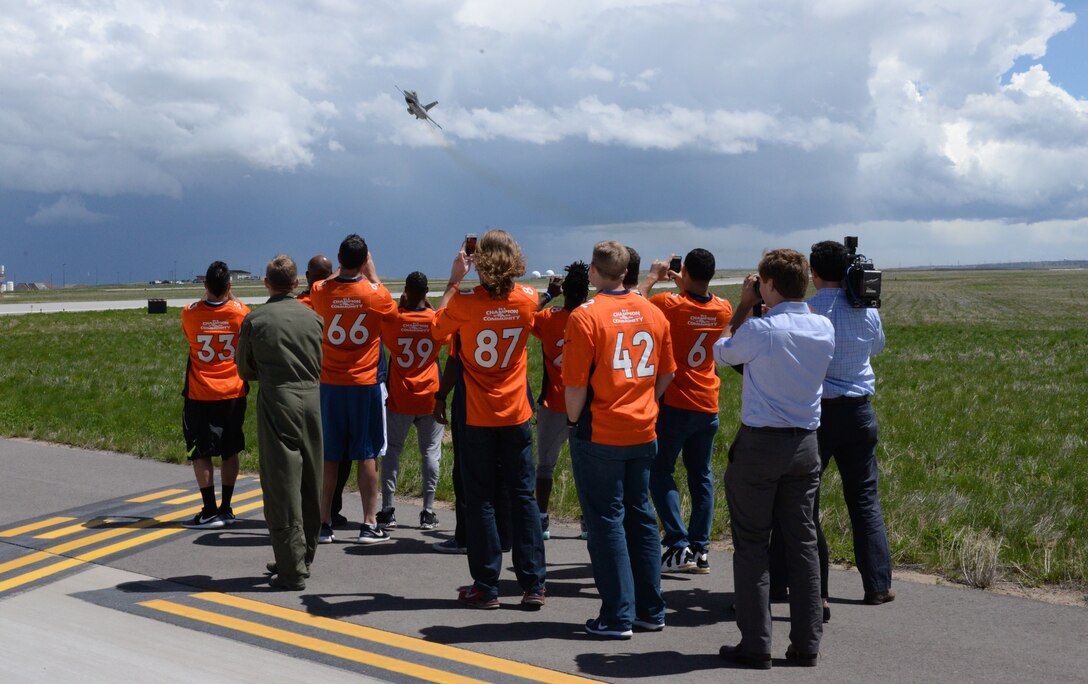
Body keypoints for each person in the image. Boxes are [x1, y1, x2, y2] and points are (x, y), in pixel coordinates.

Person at [712, 249, 834, 668]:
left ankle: (756, 642)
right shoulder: (824, 327)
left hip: (761, 444)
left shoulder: (761, 329)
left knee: (751, 544)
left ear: (769, 286)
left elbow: (721, 352)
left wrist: (744, 307)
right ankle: (806, 643)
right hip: (805, 444)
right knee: (801, 544)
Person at [769, 240, 894, 612]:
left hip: (817, 415)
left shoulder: (807, 311)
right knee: (865, 500)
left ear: (813, 273)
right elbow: (877, 348)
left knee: (800, 502)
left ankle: (794, 585)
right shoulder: (866, 309)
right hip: (859, 413)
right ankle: (877, 584)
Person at [563, 241, 676, 639]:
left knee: (606, 520)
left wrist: (574, 422)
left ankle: (617, 614)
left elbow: (575, 384)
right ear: (627, 273)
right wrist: (645, 402)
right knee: (641, 516)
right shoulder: (652, 310)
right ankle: (651, 608)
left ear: (594, 271)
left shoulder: (586, 316)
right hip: (643, 427)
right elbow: (666, 374)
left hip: (602, 429)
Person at [431, 229, 547, 610]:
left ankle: (486, 584)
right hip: (516, 412)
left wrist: (454, 280)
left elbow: (435, 330)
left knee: (480, 499)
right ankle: (532, 583)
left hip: (479, 414)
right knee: (522, 496)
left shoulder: (465, 304)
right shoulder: (528, 299)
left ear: (479, 264)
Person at [638, 249, 732, 573]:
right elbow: (698, 310)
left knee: (659, 471)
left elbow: (635, 302)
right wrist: (685, 284)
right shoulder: (724, 308)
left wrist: (653, 277)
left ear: (685, 270)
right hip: (708, 402)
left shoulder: (670, 304)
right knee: (701, 475)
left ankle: (678, 545)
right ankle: (701, 547)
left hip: (676, 404)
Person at [235, 255, 324, 590]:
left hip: (278, 398)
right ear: (296, 283)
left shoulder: (256, 320)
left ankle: (291, 567)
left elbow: (244, 369)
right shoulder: (314, 318)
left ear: (267, 283)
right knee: (311, 480)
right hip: (313, 399)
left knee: (281, 484)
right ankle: (302, 555)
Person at [309, 234, 397, 544]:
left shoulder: (321, 291)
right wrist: (370, 274)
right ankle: (369, 522)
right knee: (368, 453)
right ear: (364, 261)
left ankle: (323, 523)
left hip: (331, 383)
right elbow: (392, 312)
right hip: (364, 383)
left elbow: (323, 285)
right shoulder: (375, 293)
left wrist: (343, 271)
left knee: (330, 455)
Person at [180, 261, 251, 529]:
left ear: (205, 285)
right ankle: (226, 507)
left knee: (201, 452)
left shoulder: (190, 313)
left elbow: (192, 327)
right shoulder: (241, 313)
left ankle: (209, 509)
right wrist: (228, 296)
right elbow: (239, 309)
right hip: (232, 390)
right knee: (230, 450)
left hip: (201, 393)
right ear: (229, 287)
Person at [379, 271, 448, 530]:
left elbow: (386, 330)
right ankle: (428, 511)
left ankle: (388, 509)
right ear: (427, 292)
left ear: (406, 290)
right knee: (431, 453)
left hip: (401, 396)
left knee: (392, 451)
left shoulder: (396, 319)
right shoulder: (433, 320)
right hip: (429, 395)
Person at [530, 261, 590, 540]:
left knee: (545, 465)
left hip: (554, 402)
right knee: (589, 464)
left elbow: (524, 316)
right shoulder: (593, 318)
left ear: (564, 290)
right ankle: (589, 519)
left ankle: (542, 519)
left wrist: (546, 295)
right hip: (588, 404)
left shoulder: (549, 318)